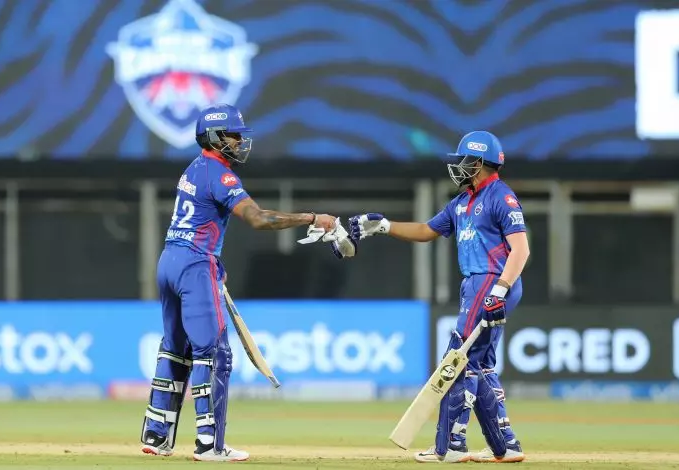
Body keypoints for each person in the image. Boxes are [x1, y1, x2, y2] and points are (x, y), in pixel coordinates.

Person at [140, 103, 338, 462]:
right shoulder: (221, 174)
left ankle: (156, 434)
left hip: (170, 260)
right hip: (194, 265)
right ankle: (210, 444)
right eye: (233, 135)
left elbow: (197, 223)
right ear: (216, 137)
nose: (240, 142)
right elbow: (259, 219)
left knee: (175, 347)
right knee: (214, 353)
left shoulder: (194, 168)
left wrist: (214, 263)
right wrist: (312, 217)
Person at [349, 131, 530, 463]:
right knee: (479, 363)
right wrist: (385, 226)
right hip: (479, 284)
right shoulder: (461, 202)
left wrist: (499, 290)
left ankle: (451, 445)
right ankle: (505, 445)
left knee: (456, 360)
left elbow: (521, 249)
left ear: (480, 162)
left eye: (464, 161)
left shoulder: (501, 197)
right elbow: (426, 230)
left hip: (491, 281)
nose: (458, 167)